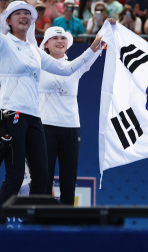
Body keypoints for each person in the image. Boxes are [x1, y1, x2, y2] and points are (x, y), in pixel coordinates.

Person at [0, 0, 104, 224]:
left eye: (28, 14)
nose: (24, 16)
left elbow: (67, 69)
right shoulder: (2, 43)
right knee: (15, 176)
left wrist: (92, 50)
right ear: (9, 20)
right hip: (12, 114)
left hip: (34, 118)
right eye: (19, 14)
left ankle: (34, 228)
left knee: (41, 176)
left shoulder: (34, 51)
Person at [35, 27, 102, 205]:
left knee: (69, 181)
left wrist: (105, 32)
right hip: (45, 128)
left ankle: (65, 223)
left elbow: (96, 50)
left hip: (72, 129)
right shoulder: (38, 64)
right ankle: (41, 223)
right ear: (46, 44)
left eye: (63, 38)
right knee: (44, 178)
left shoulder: (76, 65)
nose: (60, 41)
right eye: (54, 38)